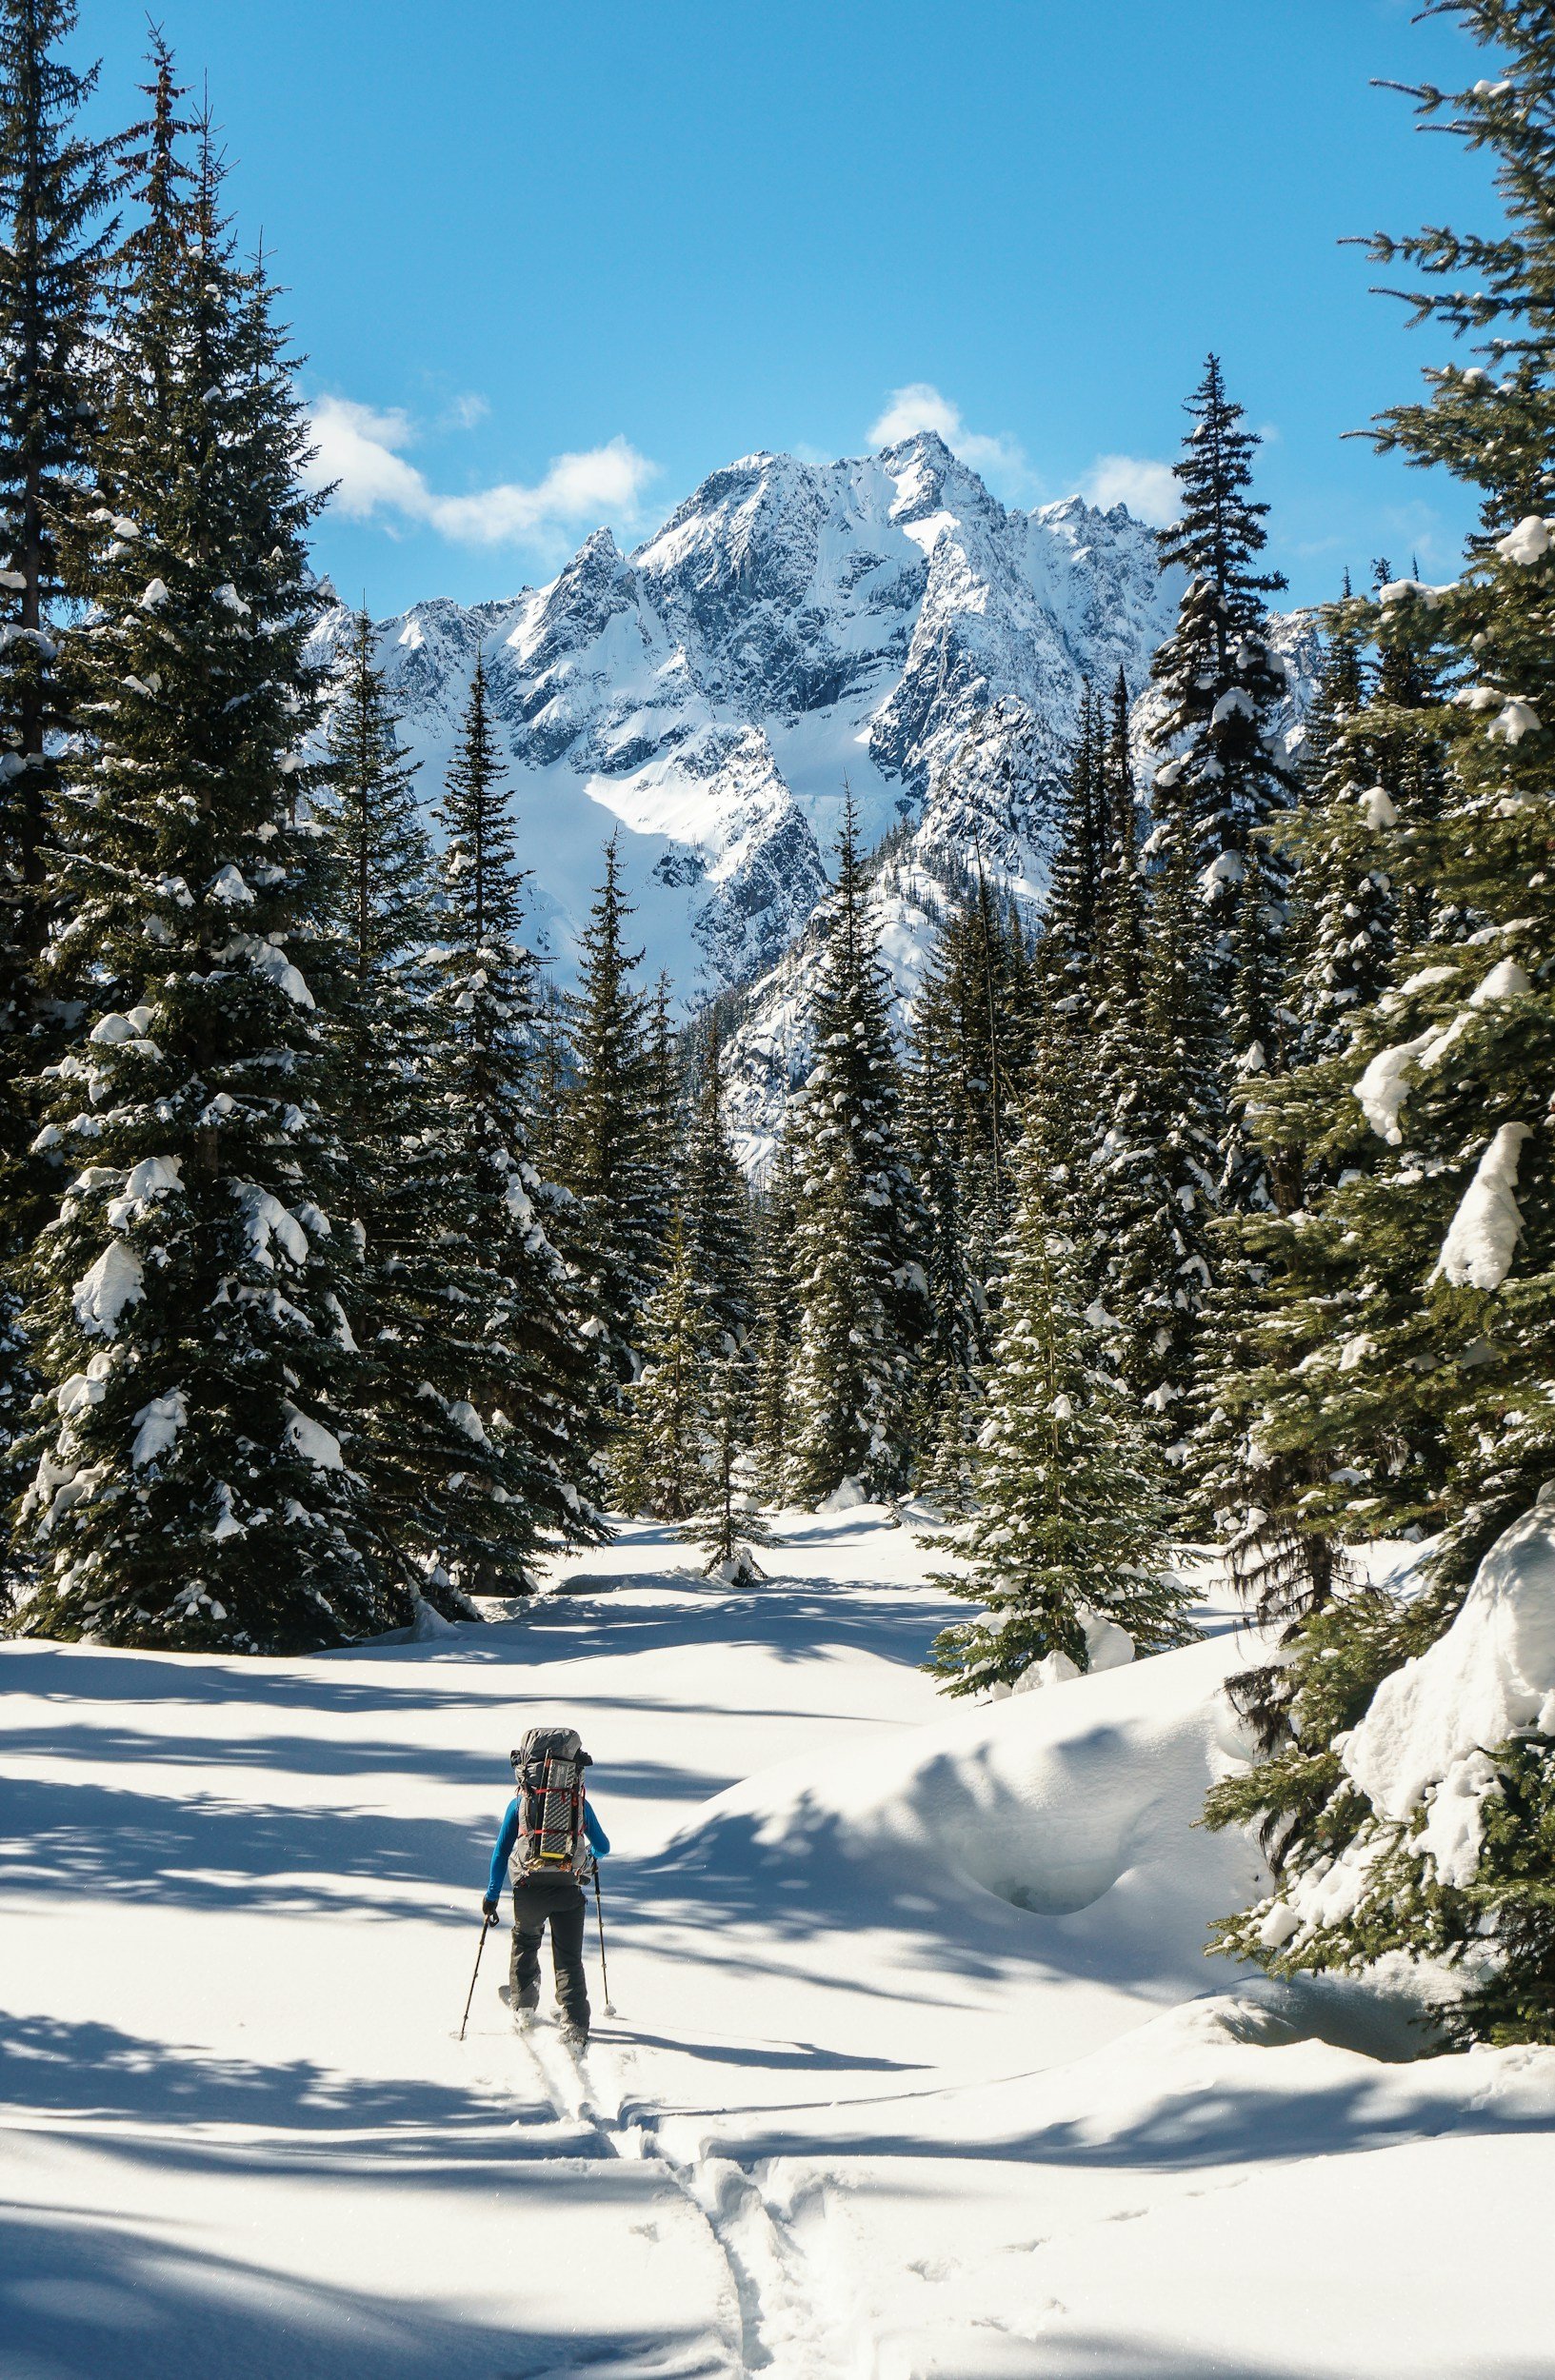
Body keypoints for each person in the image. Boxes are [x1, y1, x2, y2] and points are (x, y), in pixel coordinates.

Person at [482, 1737, 609, 2045]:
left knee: (525, 1942)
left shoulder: (520, 1803)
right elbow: (604, 1847)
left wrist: (491, 1897)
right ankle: (575, 2023)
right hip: (569, 1889)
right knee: (568, 1958)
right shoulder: (577, 1803)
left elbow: (500, 1854)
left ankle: (524, 2004)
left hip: (528, 1888)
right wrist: (586, 1860)